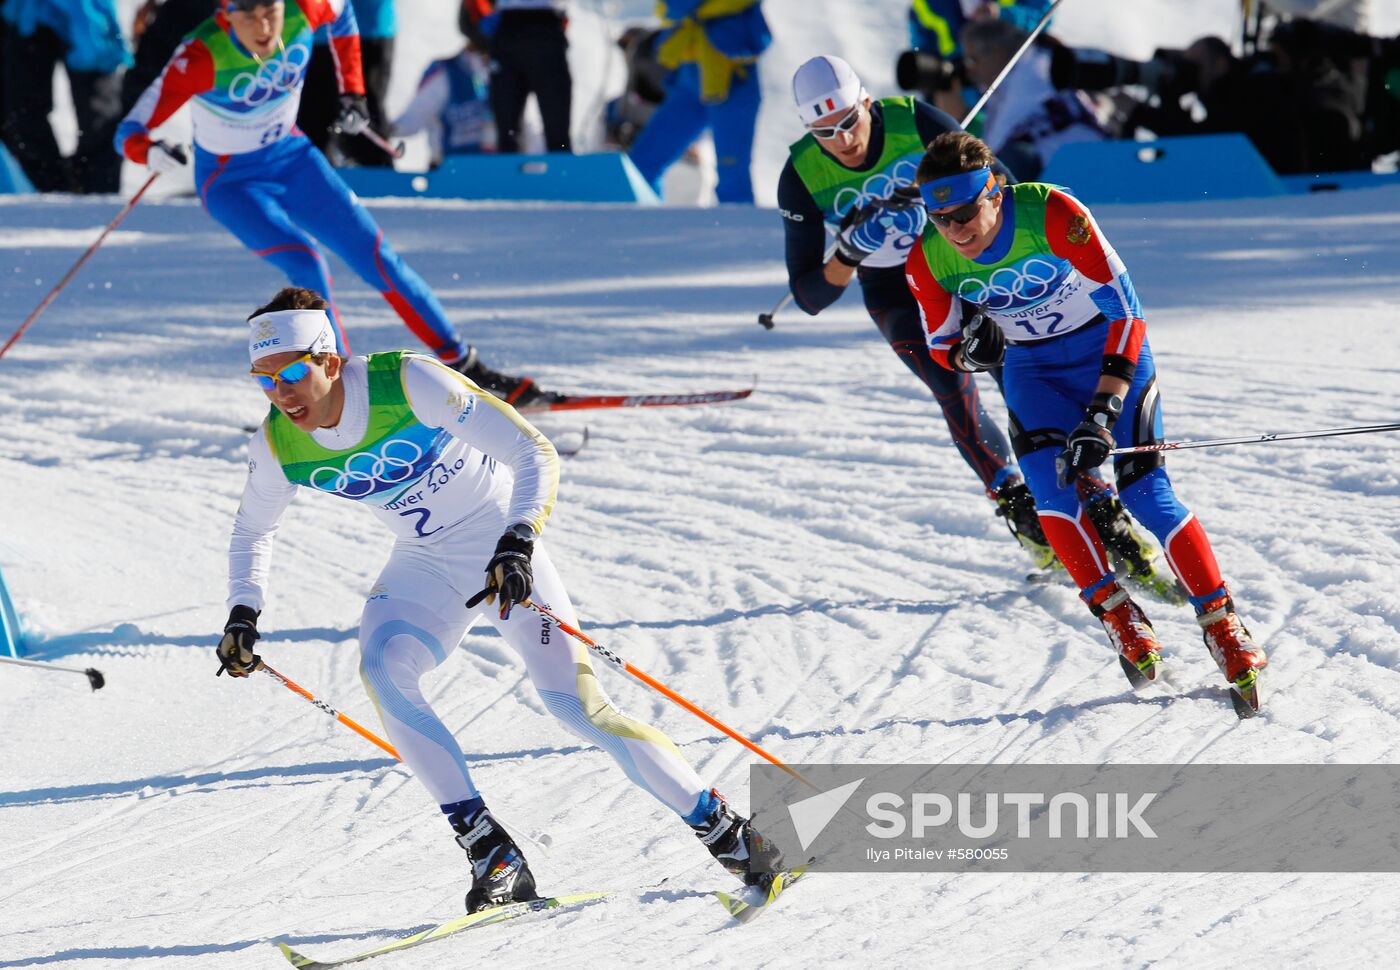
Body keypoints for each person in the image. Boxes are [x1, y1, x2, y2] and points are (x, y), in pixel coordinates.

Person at [214, 286, 782, 908]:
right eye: (264, 381)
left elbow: (530, 448)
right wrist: (244, 612)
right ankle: (493, 853)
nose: (281, 393)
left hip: (500, 549)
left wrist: (518, 539)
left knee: (578, 707)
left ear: (328, 358)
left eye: (292, 372)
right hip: (426, 562)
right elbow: (253, 528)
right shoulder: (277, 444)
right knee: (383, 669)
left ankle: (728, 833)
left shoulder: (405, 382)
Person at [905, 131, 1268, 709]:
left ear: (994, 193)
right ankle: (1120, 616)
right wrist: (975, 349)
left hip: (1108, 350)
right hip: (1035, 372)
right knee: (1052, 498)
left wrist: (1102, 412)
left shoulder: (1053, 213)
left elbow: (1128, 313)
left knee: (1148, 494)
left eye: (966, 212)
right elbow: (944, 348)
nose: (955, 229)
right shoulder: (927, 256)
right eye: (940, 216)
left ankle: (1223, 625)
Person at [779, 55, 1170, 587]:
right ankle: (1020, 507)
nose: (842, 139)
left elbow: (1003, 192)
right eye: (825, 131)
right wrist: (849, 251)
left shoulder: (913, 121)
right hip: (894, 288)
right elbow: (809, 295)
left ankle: (1097, 504)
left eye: (849, 120)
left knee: (1020, 381)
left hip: (965, 267)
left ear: (867, 103)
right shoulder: (800, 173)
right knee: (950, 385)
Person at [114, 0, 556, 404]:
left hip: (293, 160)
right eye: (248, 14)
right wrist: (150, 150)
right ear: (226, 13)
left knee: (377, 256)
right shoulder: (200, 56)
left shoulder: (303, 9)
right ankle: (341, 391)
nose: (264, 25)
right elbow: (128, 130)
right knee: (307, 263)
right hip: (231, 184)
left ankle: (465, 366)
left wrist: (354, 92)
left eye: (269, 8)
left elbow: (344, 16)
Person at [627, 0, 769, 204]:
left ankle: (739, 235)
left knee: (733, 180)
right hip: (692, 77)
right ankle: (642, 230)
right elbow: (669, 8)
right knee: (641, 167)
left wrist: (695, 9)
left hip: (734, 78)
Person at [1, 0, 131, 193]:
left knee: (99, 119)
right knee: (19, 112)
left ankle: (98, 195)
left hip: (88, 13)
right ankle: (53, 191)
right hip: (24, 11)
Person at [960, 19, 1103, 181]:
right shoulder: (1004, 82)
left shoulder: (1032, 71)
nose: (969, 71)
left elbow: (993, 146)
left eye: (973, 60)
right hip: (1056, 162)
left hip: (1079, 160)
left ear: (997, 52)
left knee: (1002, 166)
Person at [297, 0, 394, 167]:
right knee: (312, 130)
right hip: (308, 31)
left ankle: (383, 182)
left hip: (366, 28)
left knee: (362, 123)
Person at [479, 0, 573, 154]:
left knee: (559, 137)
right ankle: (508, 176)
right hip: (509, 30)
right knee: (507, 135)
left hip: (546, 29)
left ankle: (563, 174)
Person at [392, 43, 496, 166]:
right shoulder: (445, 73)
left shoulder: (502, 72)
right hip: (448, 171)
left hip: (491, 171)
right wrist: (382, 129)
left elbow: (519, 130)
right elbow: (411, 121)